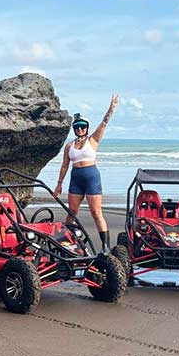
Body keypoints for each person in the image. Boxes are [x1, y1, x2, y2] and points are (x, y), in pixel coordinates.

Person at [53, 94, 119, 254]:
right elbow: (64, 165)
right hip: (76, 179)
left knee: (96, 213)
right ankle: (66, 241)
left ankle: (105, 247)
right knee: (72, 212)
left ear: (87, 128)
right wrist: (59, 184)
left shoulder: (93, 140)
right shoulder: (69, 146)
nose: (80, 129)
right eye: (77, 127)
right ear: (74, 129)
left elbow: (104, 123)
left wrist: (111, 108)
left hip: (92, 178)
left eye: (83, 126)